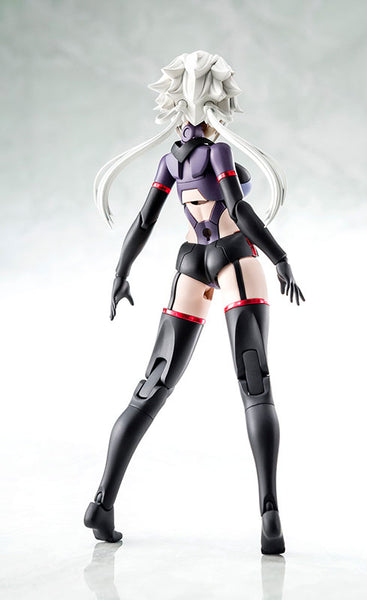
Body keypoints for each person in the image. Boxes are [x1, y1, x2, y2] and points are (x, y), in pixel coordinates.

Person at [84, 50, 304, 554]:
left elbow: (144, 221)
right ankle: (269, 510)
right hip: (232, 254)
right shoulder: (218, 152)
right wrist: (280, 257)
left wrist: (121, 272)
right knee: (255, 386)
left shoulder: (170, 160)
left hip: (188, 260)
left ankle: (102, 500)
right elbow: (238, 209)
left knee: (152, 386)